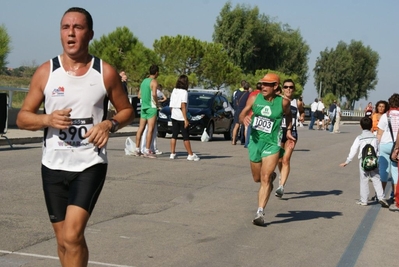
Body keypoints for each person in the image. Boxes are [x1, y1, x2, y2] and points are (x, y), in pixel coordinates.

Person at [16, 7, 134, 266]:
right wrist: (47, 119)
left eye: (77, 27)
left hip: (89, 164)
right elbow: (23, 117)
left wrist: (109, 124)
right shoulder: (47, 72)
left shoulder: (105, 72)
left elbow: (127, 111)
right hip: (52, 166)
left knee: (72, 235)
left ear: (90, 34)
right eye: (65, 27)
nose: (70, 33)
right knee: (64, 241)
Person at [239, 73, 294, 226]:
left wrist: (288, 131)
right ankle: (271, 178)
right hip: (256, 143)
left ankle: (260, 212)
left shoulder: (283, 102)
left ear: (275, 86)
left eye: (266, 84)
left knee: (264, 177)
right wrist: (243, 118)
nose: (262, 86)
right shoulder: (254, 98)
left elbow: (289, 115)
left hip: (272, 145)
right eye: (262, 84)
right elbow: (242, 113)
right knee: (257, 178)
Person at [339, 117, 389, 207]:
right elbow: (378, 150)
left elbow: (353, 149)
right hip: (374, 161)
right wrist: (378, 160)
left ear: (360, 126)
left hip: (363, 161)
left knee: (364, 180)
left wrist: (347, 161)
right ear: (371, 127)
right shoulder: (375, 137)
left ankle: (364, 200)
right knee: (377, 179)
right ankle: (381, 197)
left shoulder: (359, 138)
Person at [275, 79, 304, 198]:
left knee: (286, 159)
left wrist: (302, 117)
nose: (288, 89)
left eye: (291, 87)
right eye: (286, 87)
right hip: (278, 133)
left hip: (291, 134)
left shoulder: (297, 102)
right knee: (279, 160)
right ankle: (282, 175)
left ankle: (281, 186)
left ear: (294, 89)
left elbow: (302, 112)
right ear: (282, 88)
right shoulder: (278, 100)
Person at [169, 74, 200, 161]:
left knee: (174, 135)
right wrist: (185, 119)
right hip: (181, 116)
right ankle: (190, 154)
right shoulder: (184, 92)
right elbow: (183, 105)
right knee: (185, 136)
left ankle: (172, 153)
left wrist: (172, 113)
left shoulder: (174, 91)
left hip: (174, 114)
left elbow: (171, 104)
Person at [377, 94, 399, 207]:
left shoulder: (385, 116)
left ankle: (381, 195)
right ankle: (395, 197)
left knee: (383, 171)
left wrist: (376, 147)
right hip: (396, 148)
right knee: (395, 172)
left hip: (384, 145)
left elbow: (379, 134)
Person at [134, 65, 159, 158]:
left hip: (143, 107)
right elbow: (154, 94)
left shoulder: (144, 81)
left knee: (141, 128)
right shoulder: (154, 82)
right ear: (156, 72)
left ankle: (137, 149)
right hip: (151, 107)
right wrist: (157, 103)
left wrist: (145, 97)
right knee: (150, 129)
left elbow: (139, 95)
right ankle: (147, 150)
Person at [244, 82, 262, 148]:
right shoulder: (261, 94)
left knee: (249, 128)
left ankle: (247, 143)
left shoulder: (252, 94)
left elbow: (248, 103)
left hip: (250, 113)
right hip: (258, 113)